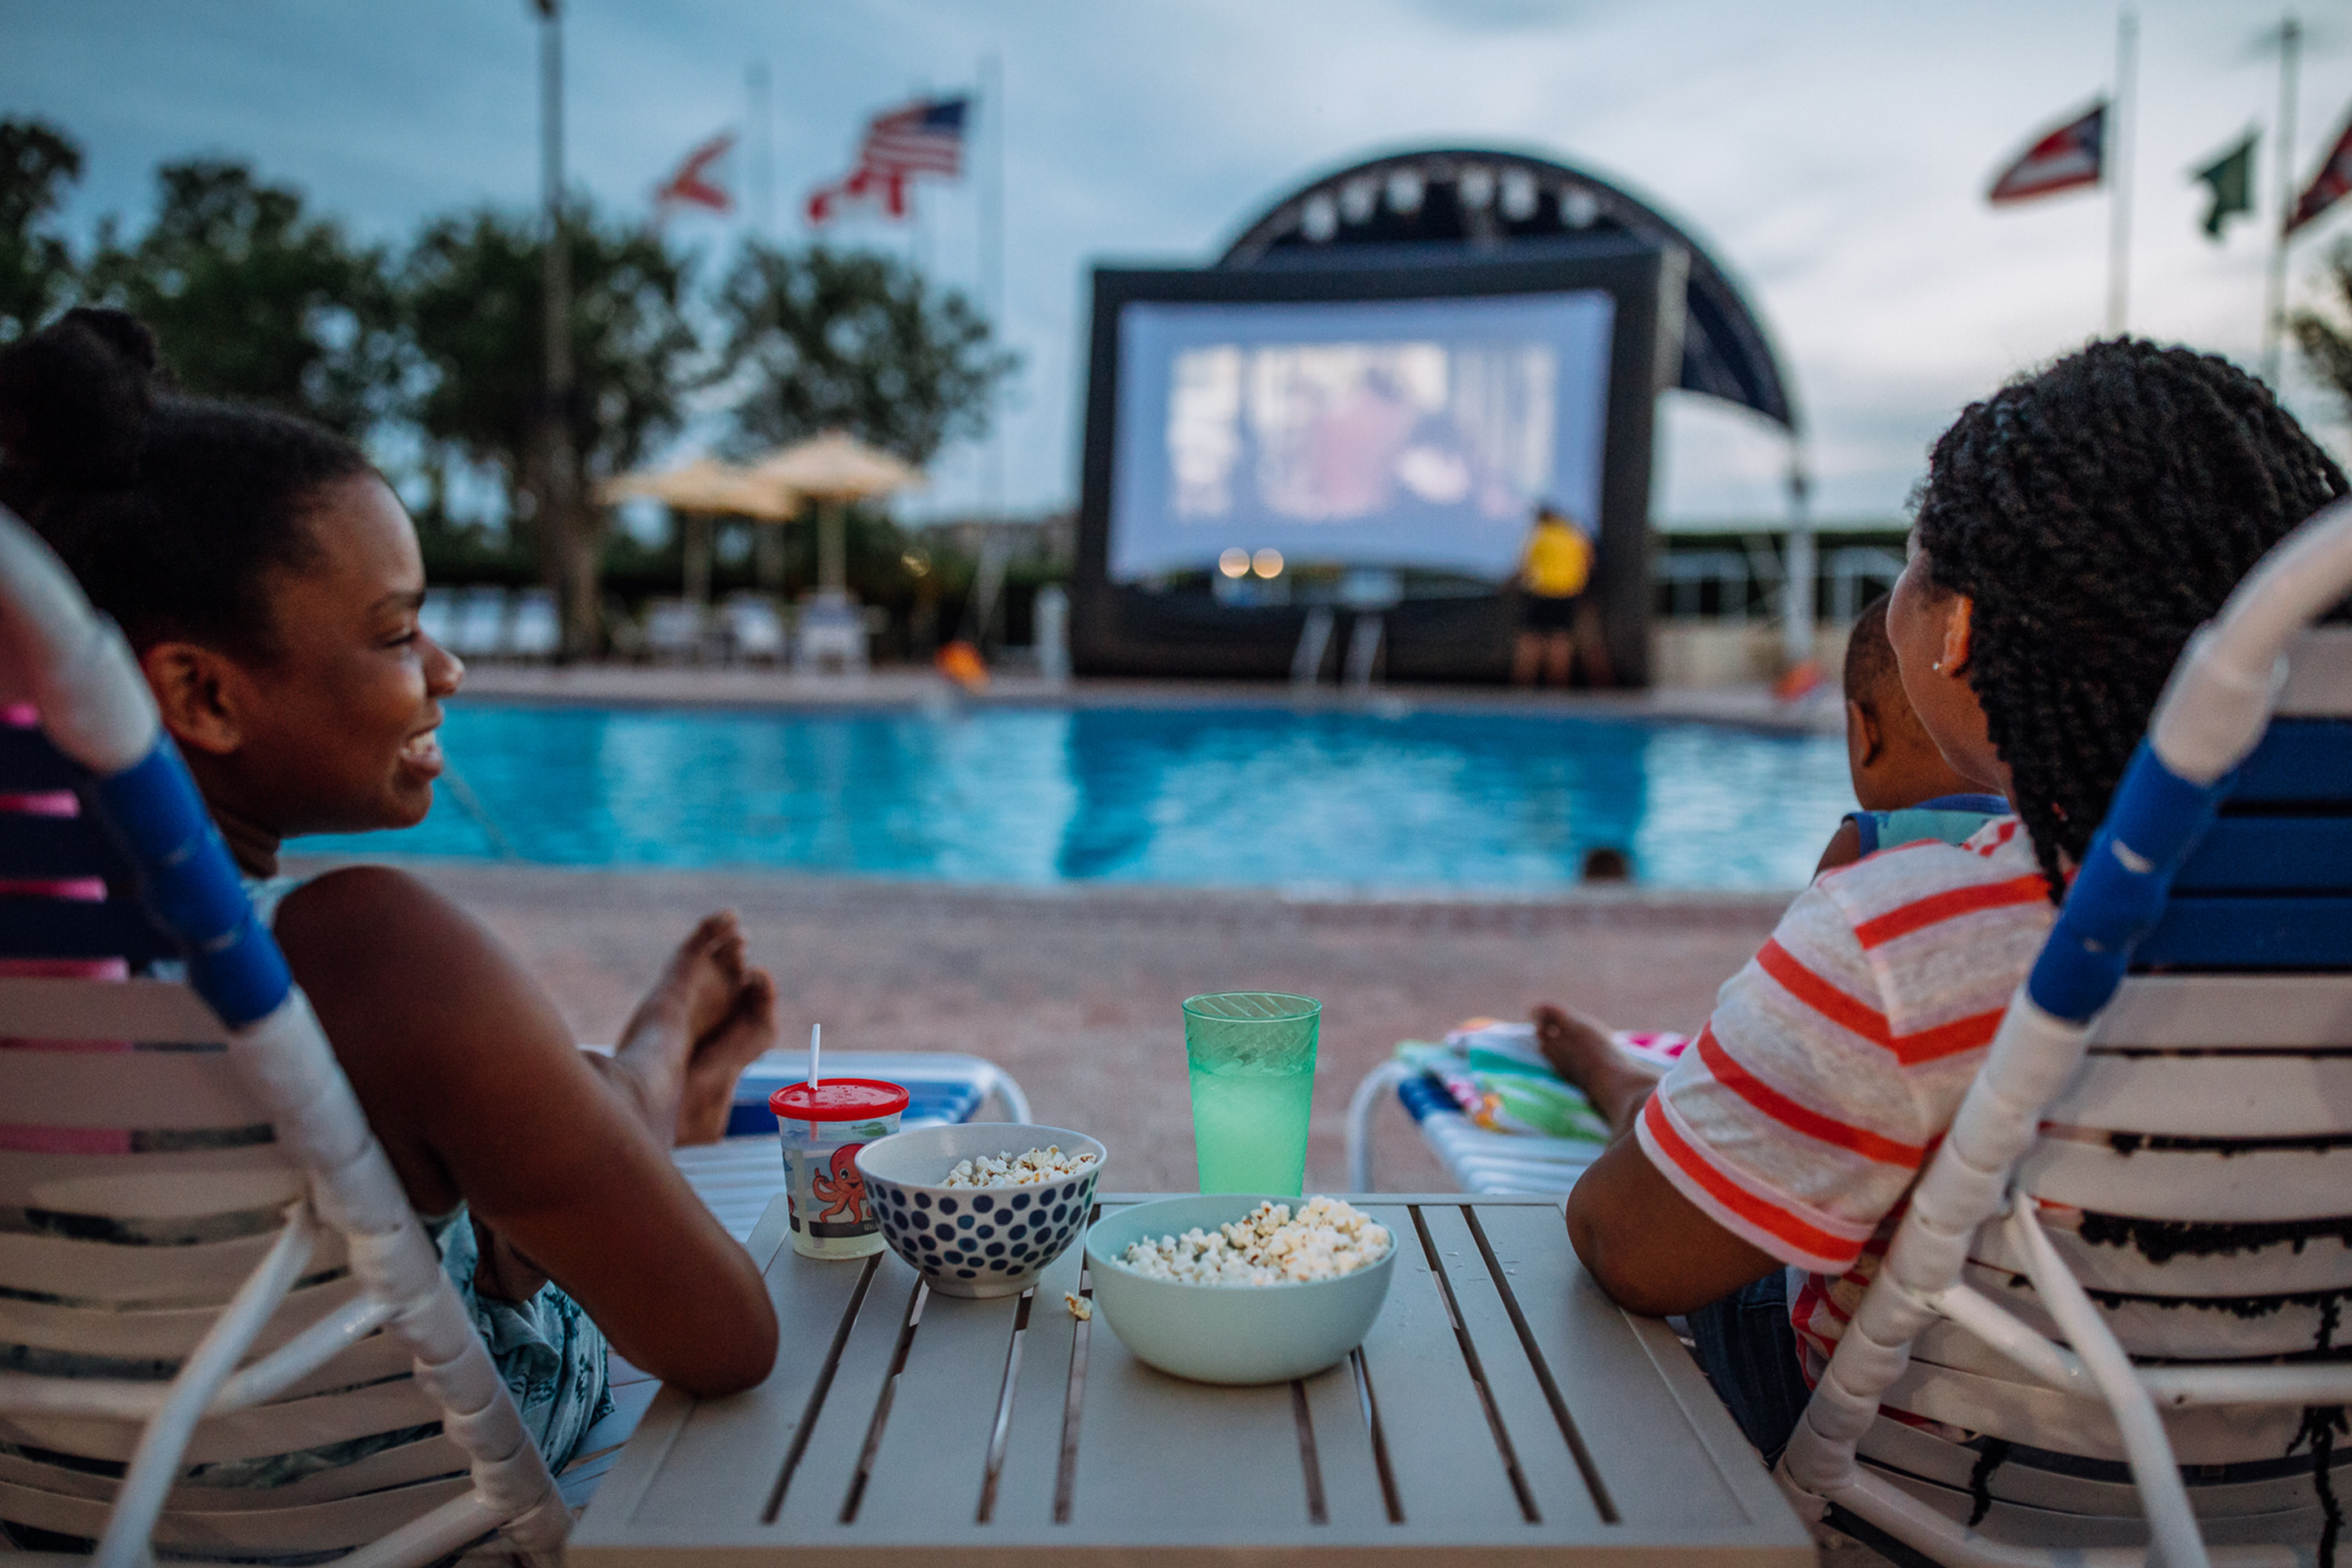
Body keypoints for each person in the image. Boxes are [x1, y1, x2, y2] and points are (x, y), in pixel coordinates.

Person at [0, 311, 782, 1490]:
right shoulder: (373, 954)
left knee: (502, 1101)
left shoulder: (50, 973)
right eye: (397, 631)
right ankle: (664, 1053)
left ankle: (647, 1074)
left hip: (63, 1512)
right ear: (202, 695)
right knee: (531, 1086)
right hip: (415, 1515)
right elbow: (728, 1341)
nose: (446, 672)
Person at [1557, 337, 2347, 1468]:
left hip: (1934, 1501)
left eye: (1913, 561)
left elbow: (1627, 1246)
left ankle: (1644, 1092)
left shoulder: (1915, 933)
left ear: (1958, 629)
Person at [1534, 588, 2000, 1141]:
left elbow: (1788, 1017)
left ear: (1864, 734)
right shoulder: (2036, 844)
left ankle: (1608, 1072)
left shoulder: (1866, 845)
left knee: (1660, 1116)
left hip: (1863, 1122)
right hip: (1985, 1124)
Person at [1512, 504, 1610, 688]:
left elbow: (1524, 565)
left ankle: (1523, 685)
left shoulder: (1539, 535)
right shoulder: (1573, 534)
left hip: (1540, 592)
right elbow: (1589, 562)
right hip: (1568, 592)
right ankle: (1558, 685)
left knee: (1530, 640)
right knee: (1561, 639)